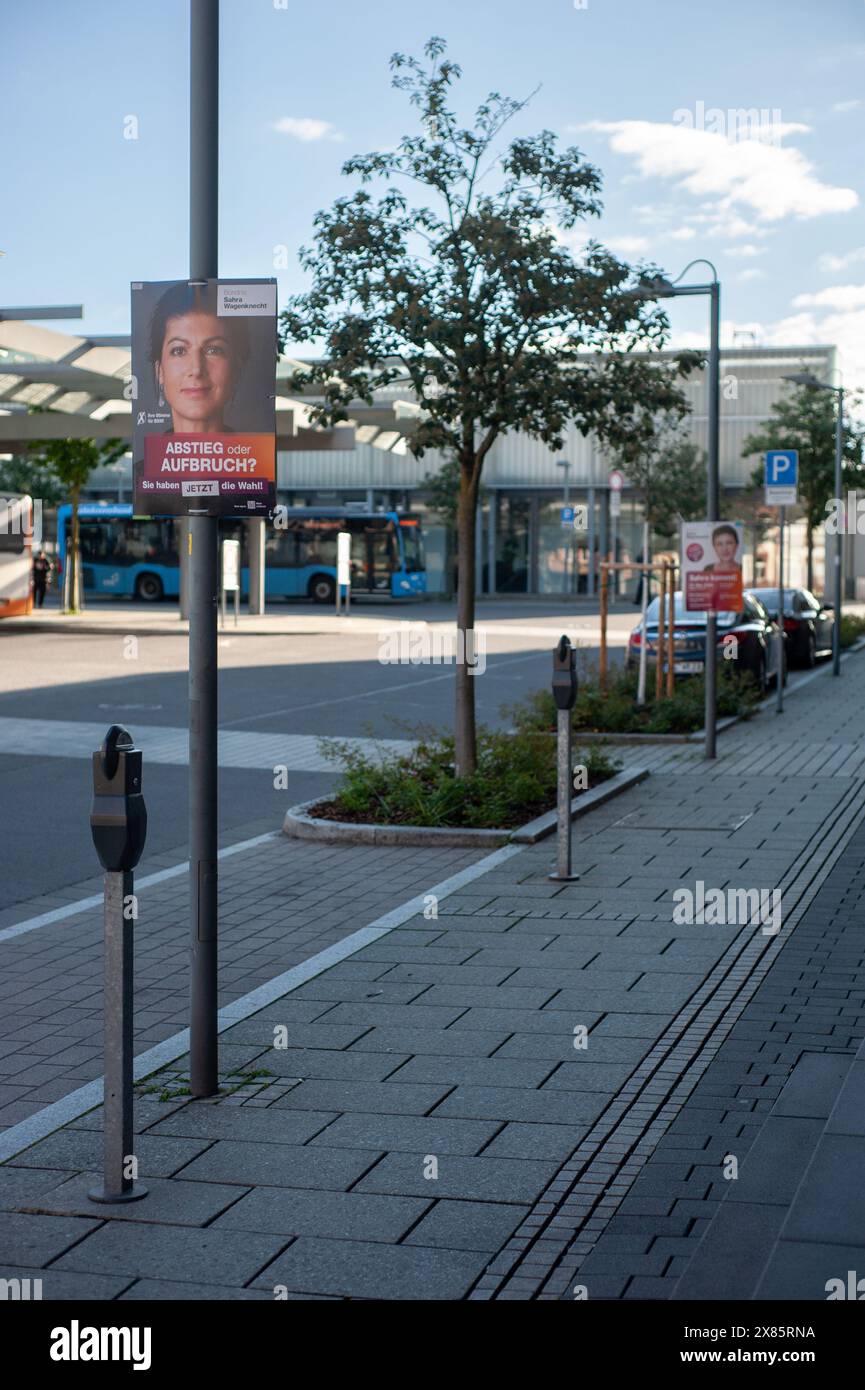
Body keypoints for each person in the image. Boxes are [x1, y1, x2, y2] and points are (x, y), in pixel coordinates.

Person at [148, 282, 250, 434]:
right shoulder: (150, 458)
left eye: (213, 350)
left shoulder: (257, 457)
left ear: (236, 368)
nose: (196, 369)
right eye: (179, 351)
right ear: (159, 371)